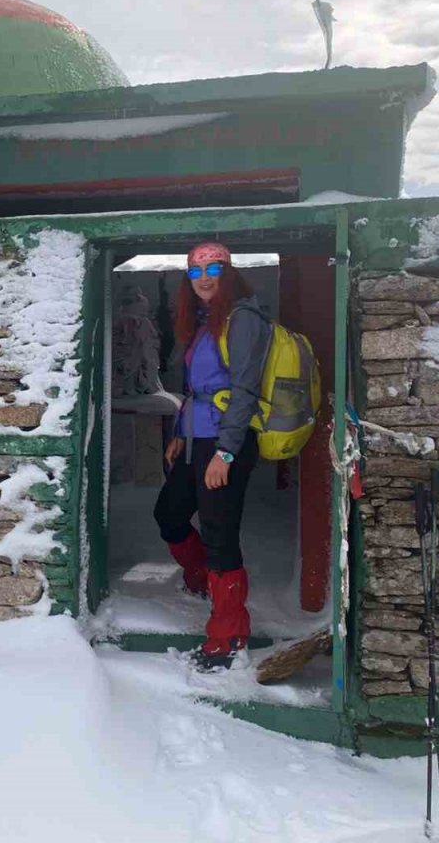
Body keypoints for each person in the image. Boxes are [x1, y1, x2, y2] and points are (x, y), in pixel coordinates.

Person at [153, 241, 272, 671]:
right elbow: (198, 388)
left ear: (229, 271)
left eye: (213, 269)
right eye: (195, 272)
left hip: (227, 441)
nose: (204, 279)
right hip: (196, 436)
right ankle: (202, 580)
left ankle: (228, 634)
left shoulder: (242, 319)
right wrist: (181, 433)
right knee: (169, 513)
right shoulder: (205, 321)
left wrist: (225, 451)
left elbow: (243, 391)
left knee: (220, 534)